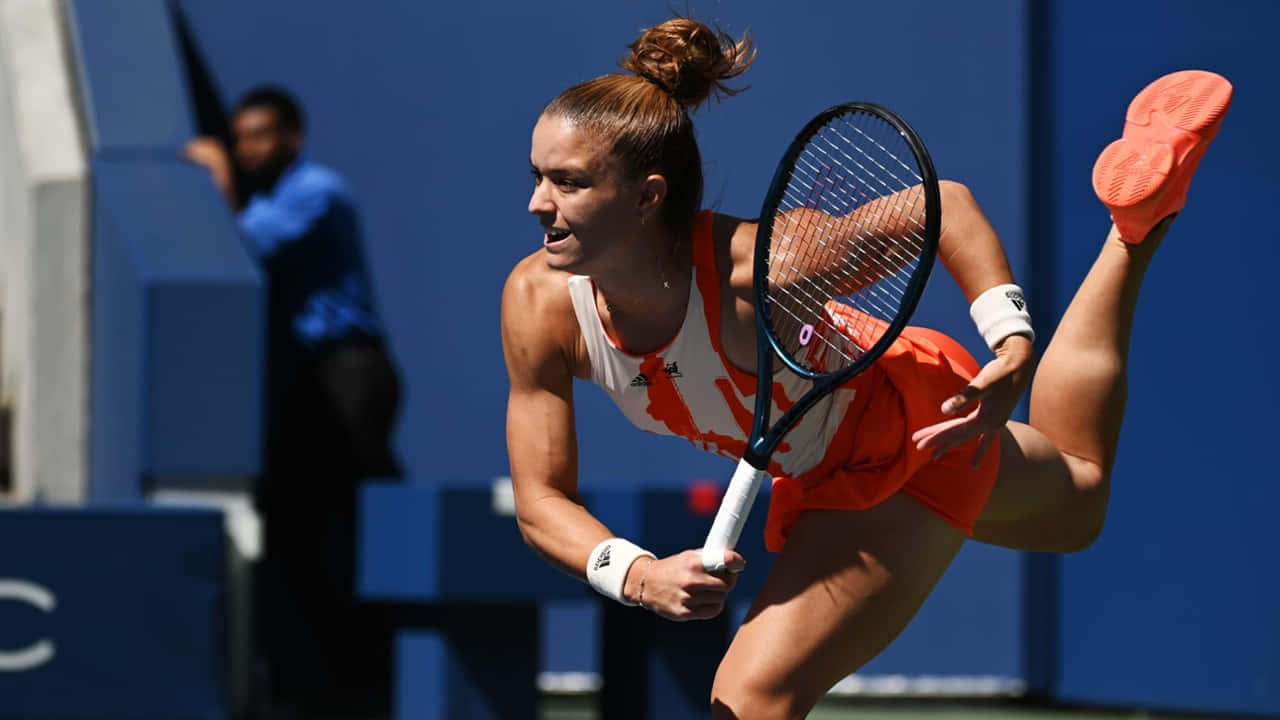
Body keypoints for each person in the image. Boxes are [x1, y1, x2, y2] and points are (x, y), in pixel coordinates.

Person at [500, 16, 1232, 720]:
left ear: (646, 196)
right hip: (818, 459)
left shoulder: (768, 265)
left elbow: (944, 208)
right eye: (537, 175)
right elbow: (540, 502)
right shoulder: (538, 303)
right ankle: (1133, 232)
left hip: (902, 439)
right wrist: (638, 574)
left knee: (751, 699)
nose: (538, 204)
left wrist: (1010, 347)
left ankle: (1131, 237)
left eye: (568, 182)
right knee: (1078, 498)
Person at [184, 86, 402, 717]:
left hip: (349, 374)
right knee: (304, 527)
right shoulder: (276, 195)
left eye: (260, 136)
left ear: (292, 138)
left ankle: (366, 680)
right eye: (239, 139)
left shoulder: (318, 191)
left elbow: (239, 246)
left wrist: (217, 171)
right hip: (310, 380)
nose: (248, 149)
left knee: (344, 524)